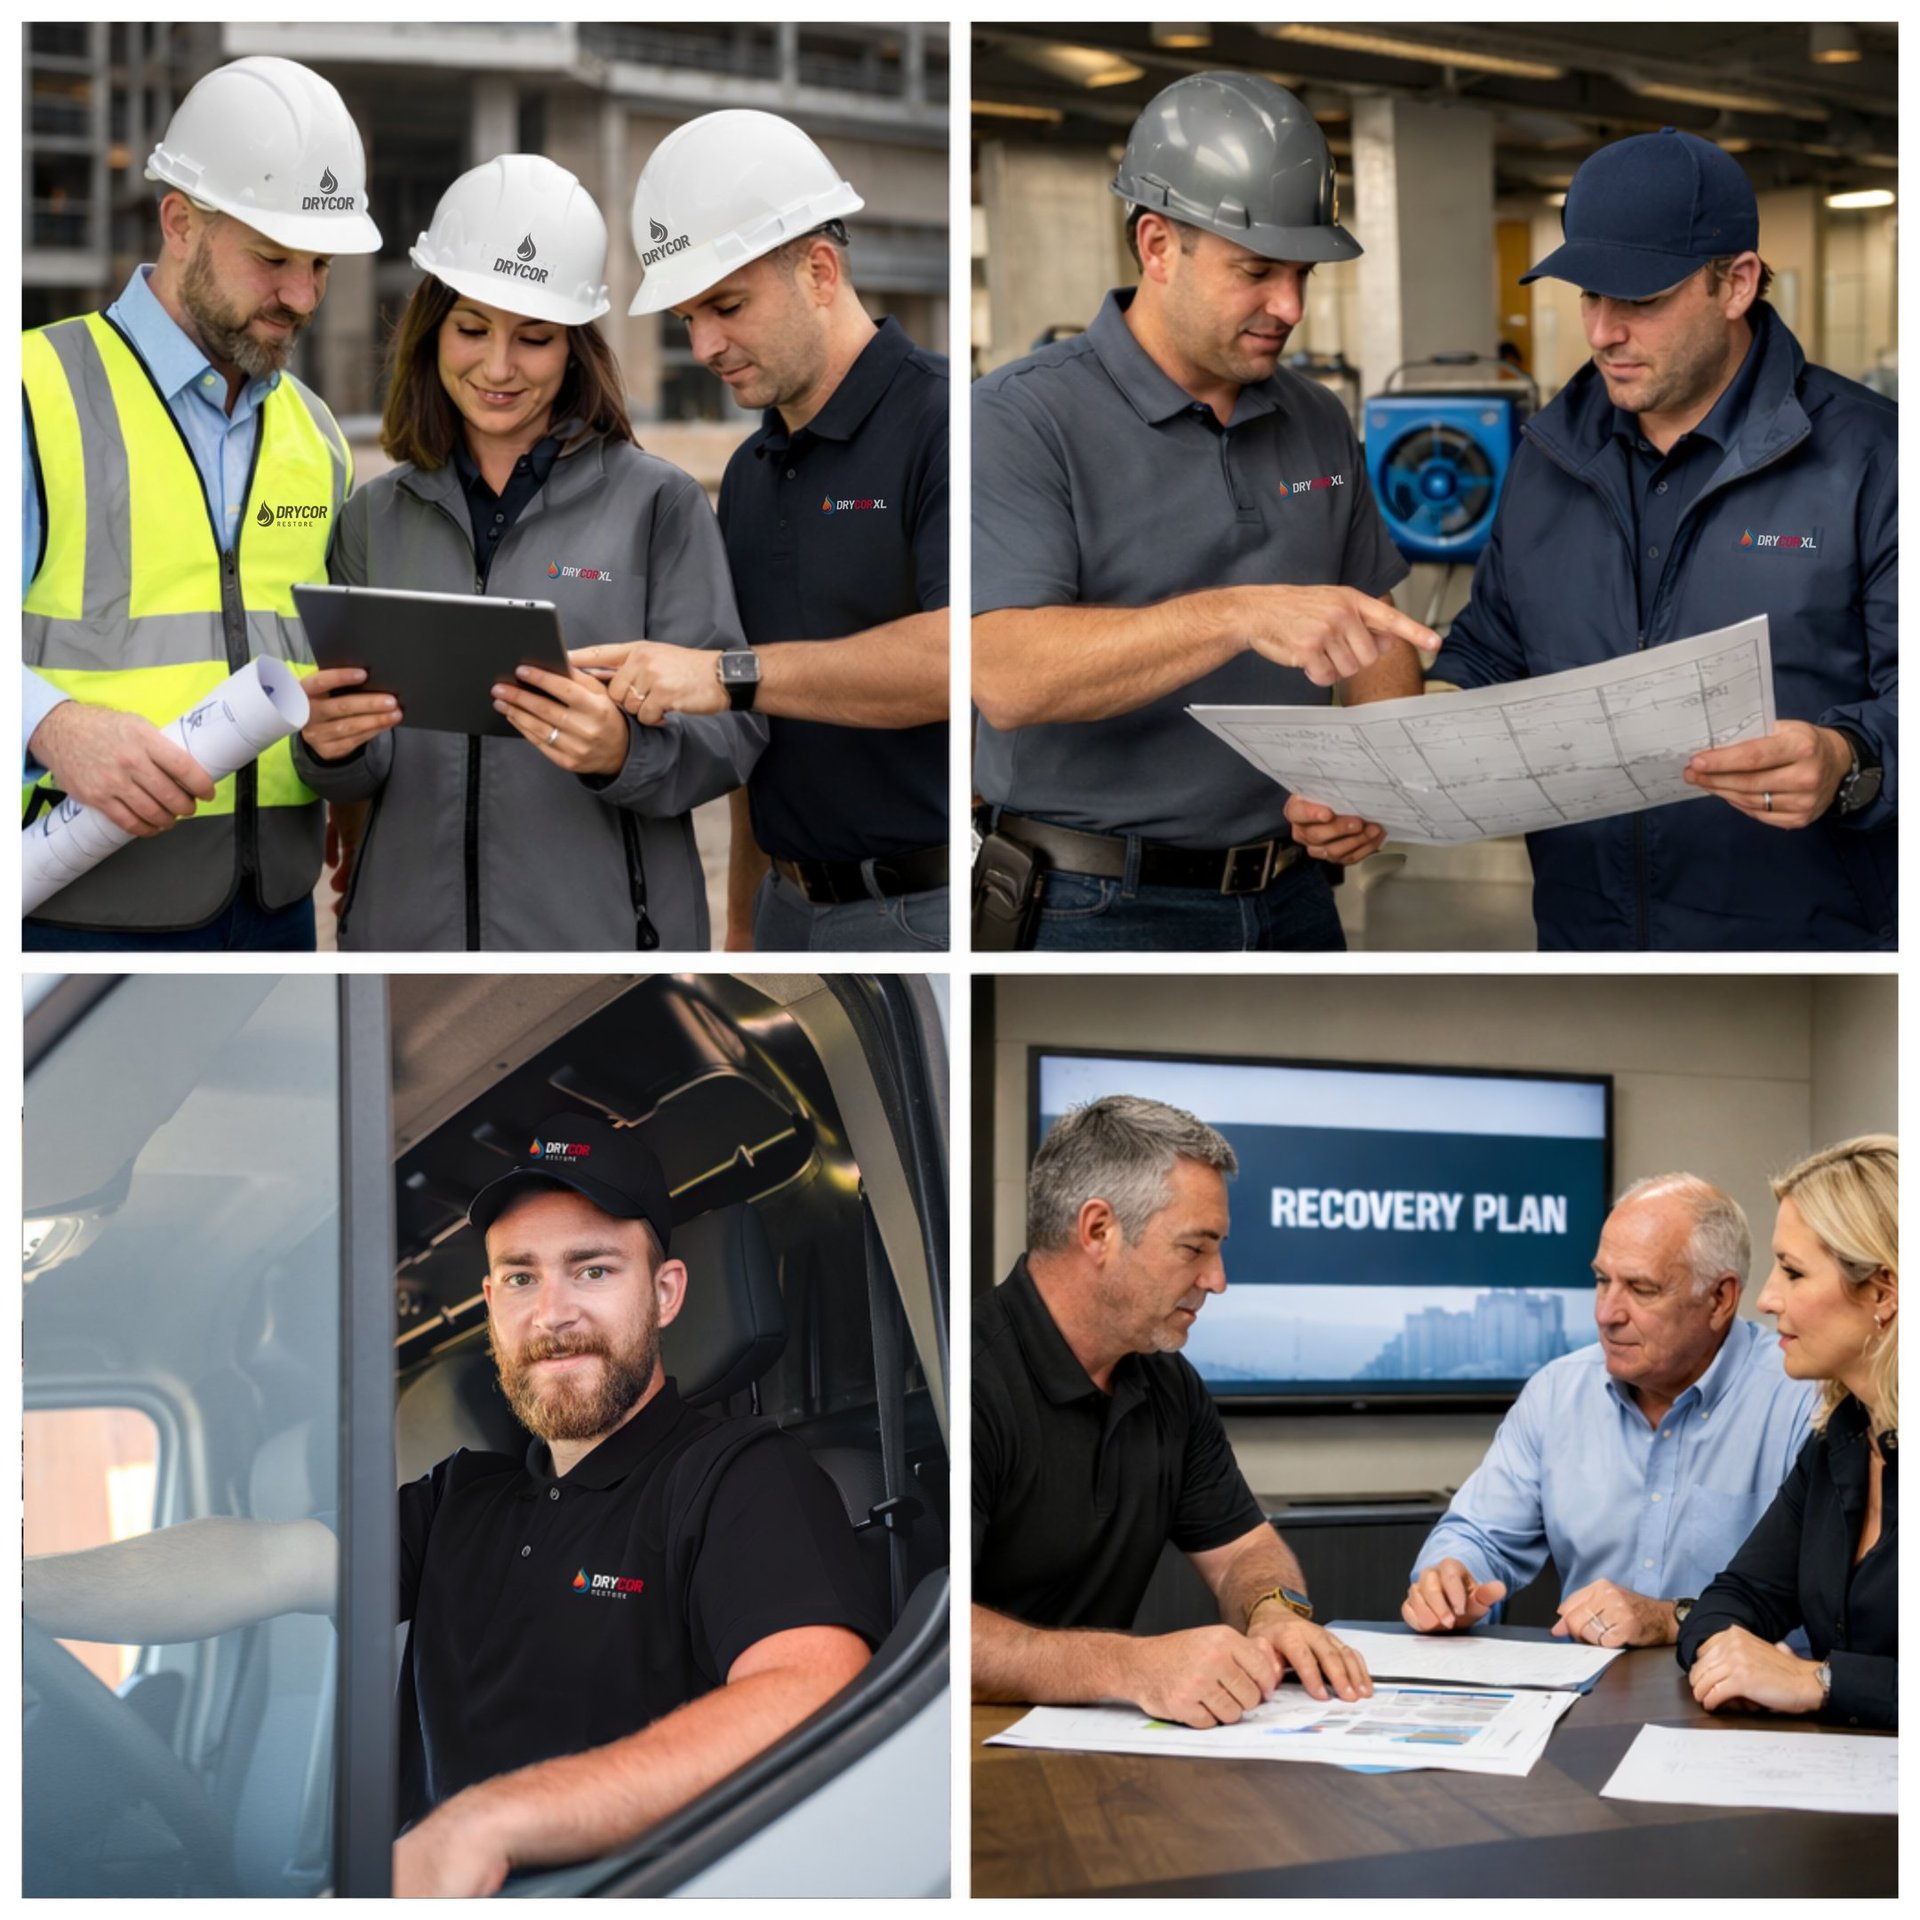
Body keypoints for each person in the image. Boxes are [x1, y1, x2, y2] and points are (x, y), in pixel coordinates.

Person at [24, 1111, 884, 1897]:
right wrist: (22, 1593)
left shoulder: (739, 1477)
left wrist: (489, 1820)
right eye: (519, 1279)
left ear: (664, 1293)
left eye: (592, 1269)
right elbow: (258, 1559)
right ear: (490, 1306)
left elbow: (812, 1689)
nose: (552, 1313)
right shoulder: (461, 1500)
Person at [1359, 127, 1895, 950]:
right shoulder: (1549, 457)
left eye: (1639, 300)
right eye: (1587, 296)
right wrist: (1409, 749)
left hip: (1802, 955)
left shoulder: (1875, 460)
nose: (1603, 332)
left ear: (1736, 282)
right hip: (1587, 939)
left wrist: (1848, 761)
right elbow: (1494, 652)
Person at [969, 71, 1436, 952]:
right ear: (1156, 245)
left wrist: (1374, 778)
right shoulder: (1020, 418)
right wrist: (1239, 615)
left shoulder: (1316, 417)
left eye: (1300, 274)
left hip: (1294, 895)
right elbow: (1007, 675)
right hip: (1090, 903)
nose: (1289, 308)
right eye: (1256, 272)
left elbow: (1372, 630)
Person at [292, 155, 764, 949]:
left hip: (604, 954)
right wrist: (327, 747)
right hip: (407, 949)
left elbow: (734, 737)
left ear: (575, 348)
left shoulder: (658, 505)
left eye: (535, 338)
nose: (500, 367)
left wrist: (622, 753)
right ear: (432, 329)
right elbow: (360, 768)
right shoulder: (374, 515)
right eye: (473, 328)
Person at [22, 55, 379, 949]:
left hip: (279, 906)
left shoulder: (319, 434)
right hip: (76, 901)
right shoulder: (32, 392)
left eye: (320, 265)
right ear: (179, 221)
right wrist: (49, 724)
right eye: (271, 259)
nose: (300, 295)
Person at [575, 109, 948, 953]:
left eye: (728, 306)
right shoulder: (750, 472)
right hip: (788, 903)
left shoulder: (945, 423)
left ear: (819, 270)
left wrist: (722, 673)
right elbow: (758, 732)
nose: (705, 344)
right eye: (686, 321)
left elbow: (960, 657)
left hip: (924, 910)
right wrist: (743, 921)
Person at [973, 1096, 1372, 1728]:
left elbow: (1246, 1551)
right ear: (1099, 1230)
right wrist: (1128, 1666)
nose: (1217, 1280)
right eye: (1194, 1248)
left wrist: (1271, 1612)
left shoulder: (1169, 1385)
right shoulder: (966, 1379)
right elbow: (933, 1636)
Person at [1404, 1173, 1815, 1646]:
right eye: (1602, 1281)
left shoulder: (1802, 1400)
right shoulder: (1556, 1393)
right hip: (1584, 1697)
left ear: (1720, 1299)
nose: (1606, 1314)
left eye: (1641, 1289)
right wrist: (1452, 1578)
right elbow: (1480, 1536)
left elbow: (1828, 1611)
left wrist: (1668, 1619)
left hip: (1742, 1702)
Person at [1681, 1136, 1897, 1728]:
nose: (1767, 1298)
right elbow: (1732, 1600)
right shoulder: (1840, 1441)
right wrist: (1731, 1657)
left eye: (1793, 1272)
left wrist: (1818, 1680)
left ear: (1883, 1291)